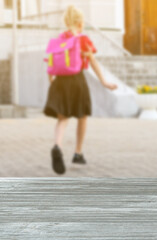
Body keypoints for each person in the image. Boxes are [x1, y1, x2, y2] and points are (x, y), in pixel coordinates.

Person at [44, 5, 117, 174]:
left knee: (62, 118)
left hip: (59, 82)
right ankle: (77, 152)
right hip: (77, 80)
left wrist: (52, 84)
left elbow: (50, 64)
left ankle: (57, 145)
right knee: (82, 116)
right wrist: (104, 82)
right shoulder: (83, 39)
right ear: (79, 22)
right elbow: (92, 62)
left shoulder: (60, 38)